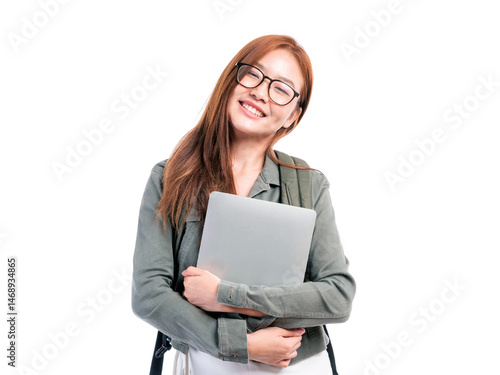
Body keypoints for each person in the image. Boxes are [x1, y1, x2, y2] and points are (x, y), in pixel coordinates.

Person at [132, 34, 356, 374]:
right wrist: (241, 344)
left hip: (296, 366)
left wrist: (225, 294)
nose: (261, 91)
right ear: (231, 79)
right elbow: (149, 295)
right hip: (201, 364)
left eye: (281, 88)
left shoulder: (309, 184)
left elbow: (337, 296)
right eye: (254, 73)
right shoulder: (170, 176)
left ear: (293, 116)